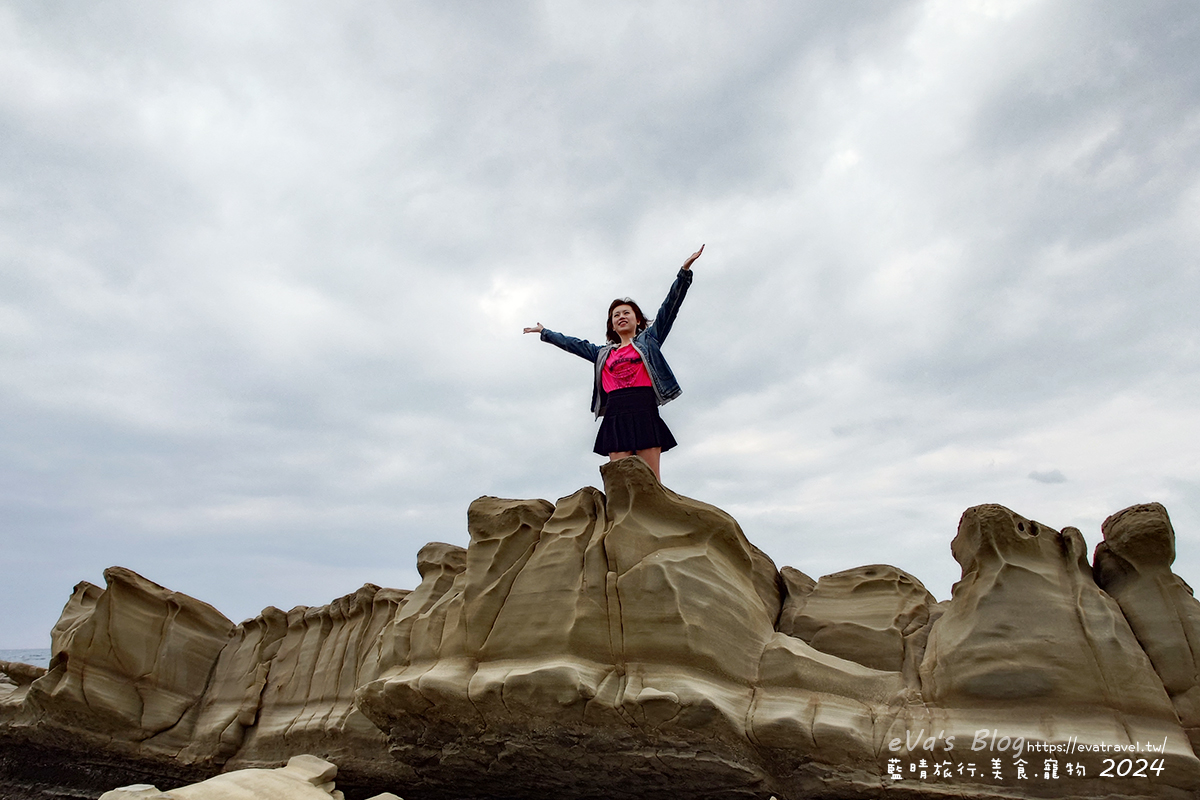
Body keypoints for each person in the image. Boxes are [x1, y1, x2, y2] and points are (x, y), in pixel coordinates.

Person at [524, 245, 704, 481]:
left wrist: (684, 272)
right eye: (616, 314)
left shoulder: (649, 341)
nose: (621, 317)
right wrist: (544, 332)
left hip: (644, 409)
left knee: (651, 482)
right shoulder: (602, 353)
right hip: (616, 414)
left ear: (637, 319)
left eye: (626, 312)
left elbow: (669, 308)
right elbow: (574, 344)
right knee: (621, 483)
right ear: (611, 324)